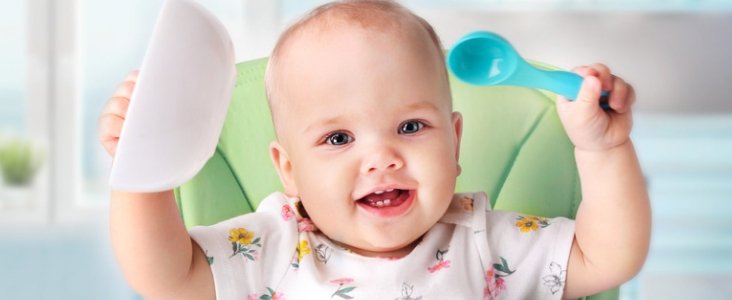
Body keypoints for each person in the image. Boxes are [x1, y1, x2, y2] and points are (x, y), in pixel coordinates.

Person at [98, 0, 650, 299]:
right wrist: (144, 168)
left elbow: (607, 258)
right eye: (338, 139)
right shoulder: (270, 247)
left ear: (455, 142)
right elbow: (165, 279)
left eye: (411, 126)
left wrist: (602, 149)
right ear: (288, 170)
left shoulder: (485, 243)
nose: (382, 157)